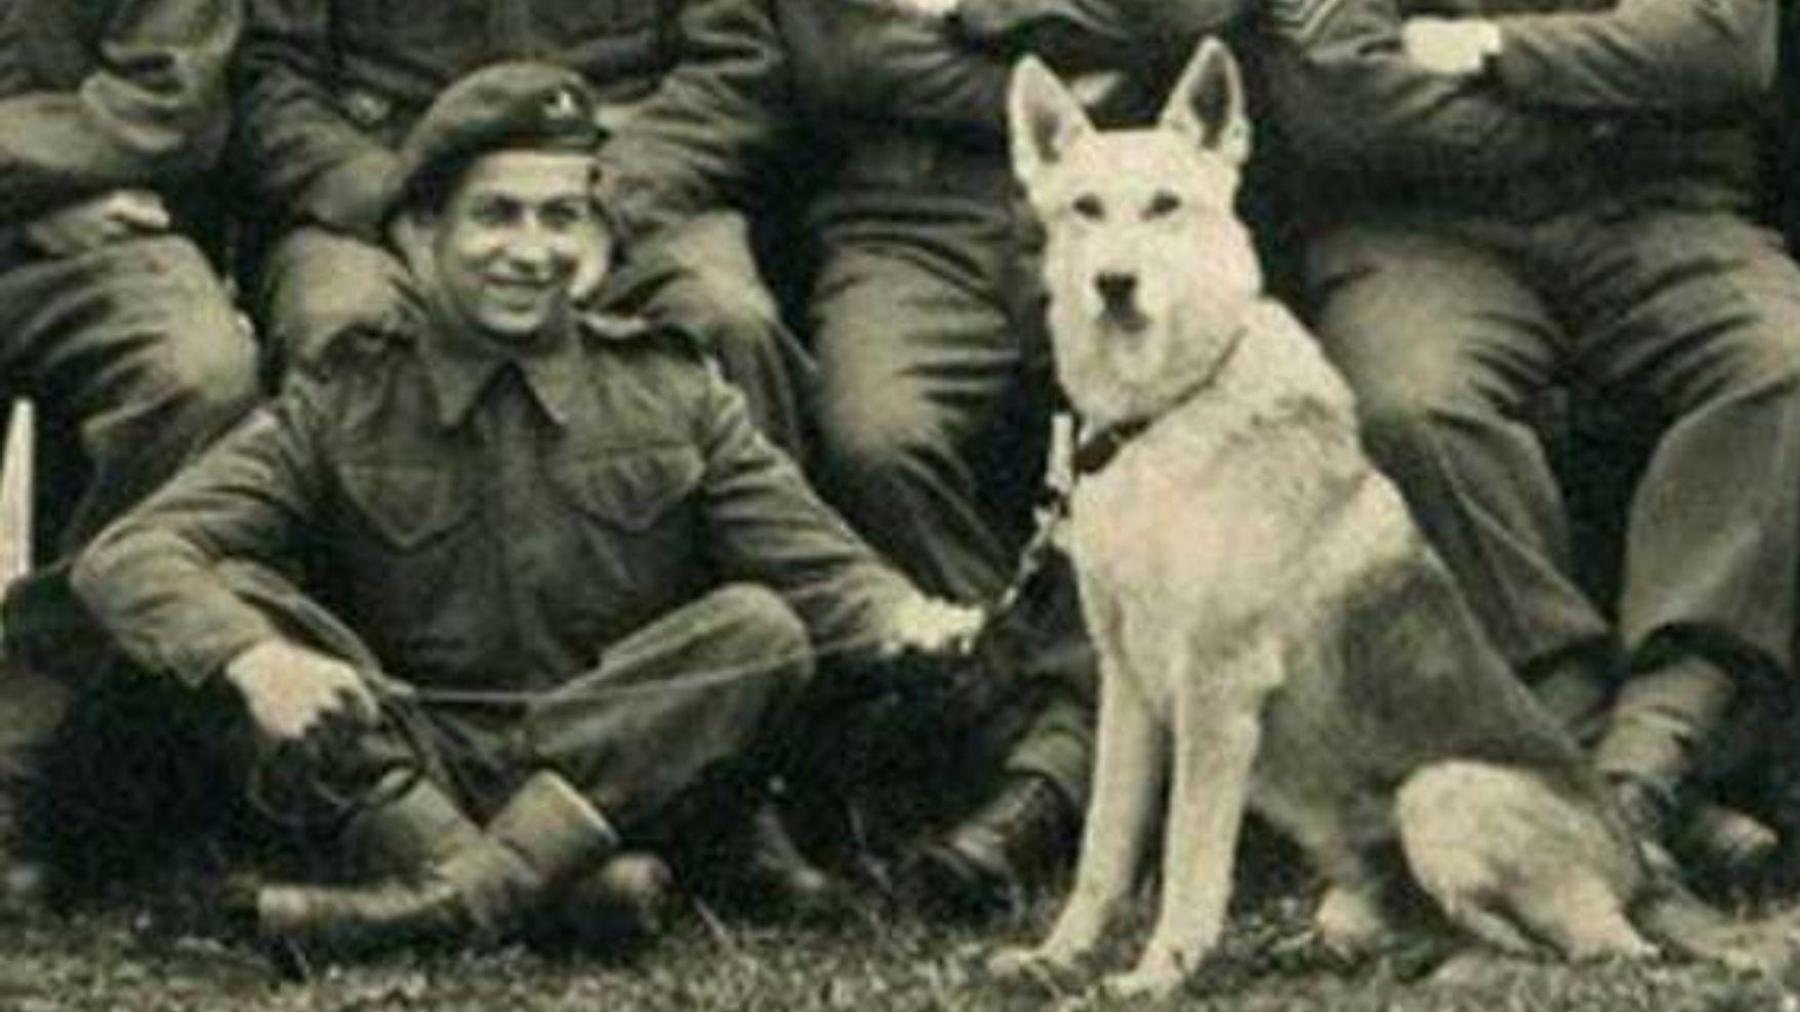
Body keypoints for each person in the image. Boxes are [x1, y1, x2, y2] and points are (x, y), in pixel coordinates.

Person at [71, 62, 979, 955]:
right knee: (229, 597)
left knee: (760, 627)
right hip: (412, 768)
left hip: (612, 759)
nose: (531, 250)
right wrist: (256, 659)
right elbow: (128, 555)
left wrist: (902, 614)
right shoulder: (345, 395)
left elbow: (812, 560)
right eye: (495, 215)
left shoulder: (671, 388)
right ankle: (561, 891)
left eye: (561, 217)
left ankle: (445, 903)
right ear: (422, 233)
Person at [596, 0, 1250, 914]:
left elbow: (1194, 14)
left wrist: (980, 12)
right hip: (910, 219)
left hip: (1128, 211)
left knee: (1152, 449)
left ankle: (1050, 783)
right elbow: (848, 57)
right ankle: (1028, 742)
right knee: (880, 438)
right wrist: (1067, 63)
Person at [1259, 0, 1800, 872]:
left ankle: (1656, 746)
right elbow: (1342, 95)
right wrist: (1604, 112)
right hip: (1425, 227)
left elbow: (1725, 41)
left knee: (1784, 368)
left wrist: (1494, 47)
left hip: (1662, 215)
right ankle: (1603, 770)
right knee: (1413, 404)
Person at [234, 0, 814, 459]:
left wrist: (611, 205)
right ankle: (329, 597)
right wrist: (398, 209)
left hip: (627, 177)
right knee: (338, 318)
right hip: (389, 189)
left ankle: (763, 584)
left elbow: (737, 70)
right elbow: (270, 83)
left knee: (725, 316)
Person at [0, 0, 260, 894]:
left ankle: (29, 738)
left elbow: (167, 102)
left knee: (197, 375)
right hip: (69, 198)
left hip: (98, 234)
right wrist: (35, 188)